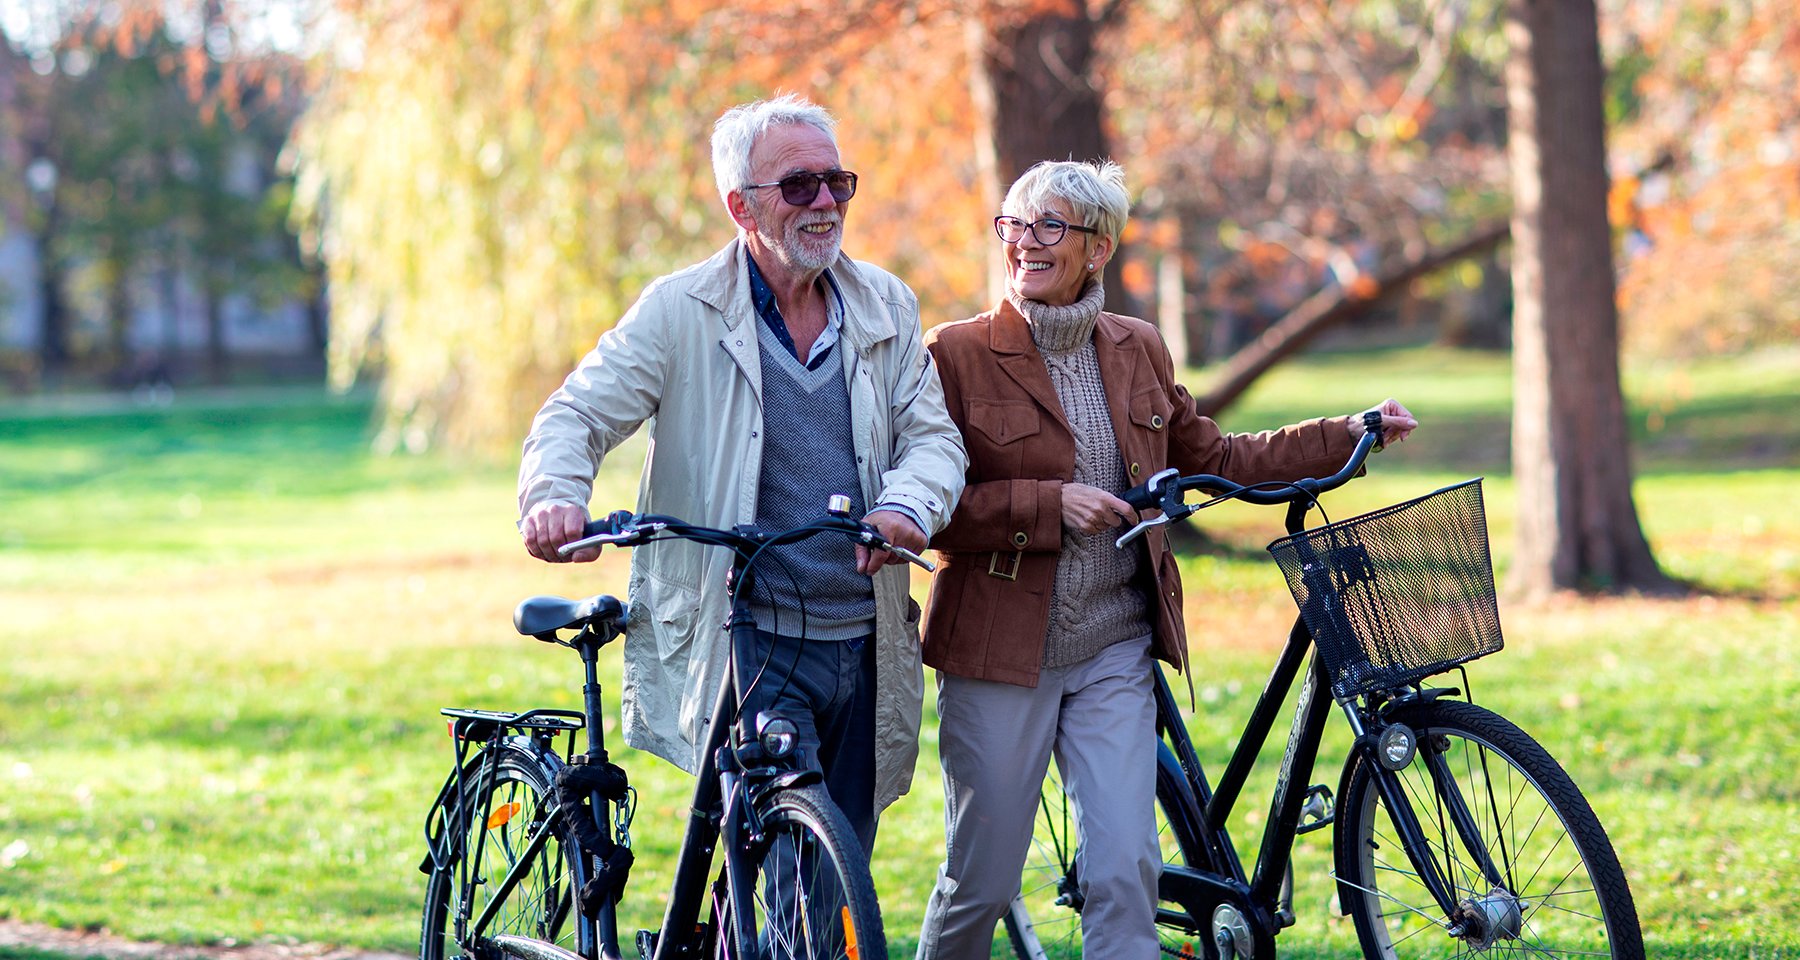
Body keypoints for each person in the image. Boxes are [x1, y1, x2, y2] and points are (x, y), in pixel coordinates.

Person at [914, 159, 1417, 958]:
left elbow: (1214, 452)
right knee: (981, 881)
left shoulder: (1136, 347)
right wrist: (1049, 504)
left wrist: (1345, 431)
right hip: (1000, 653)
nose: (1025, 244)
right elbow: (928, 505)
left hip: (1113, 642)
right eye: (1013, 225)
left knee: (1125, 871)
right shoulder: (956, 353)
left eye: (1049, 227)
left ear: (1097, 248)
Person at [517, 94, 967, 850]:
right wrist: (556, 496)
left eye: (837, 182)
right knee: (788, 861)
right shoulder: (680, 311)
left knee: (837, 873)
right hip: (750, 637)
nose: (825, 202)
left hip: (863, 638)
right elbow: (575, 416)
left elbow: (934, 439)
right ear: (741, 207)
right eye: (798, 186)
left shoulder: (886, 304)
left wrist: (906, 509)